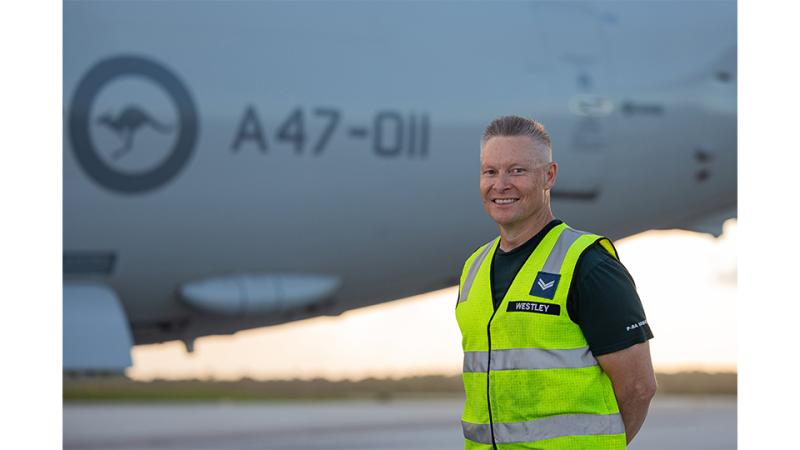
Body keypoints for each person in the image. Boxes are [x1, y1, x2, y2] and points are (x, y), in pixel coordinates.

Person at [455, 116, 656, 449]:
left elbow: (638, 388)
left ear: (548, 176)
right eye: (490, 171)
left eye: (517, 171)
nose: (500, 184)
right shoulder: (474, 267)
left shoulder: (588, 264)